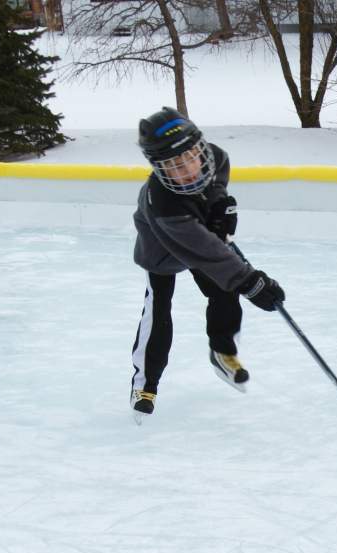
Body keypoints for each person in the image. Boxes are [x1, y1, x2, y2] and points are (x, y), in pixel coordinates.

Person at [130, 108, 285, 418]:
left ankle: (223, 351)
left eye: (191, 157)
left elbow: (216, 182)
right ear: (159, 168)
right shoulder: (163, 204)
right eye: (174, 165)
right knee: (158, 310)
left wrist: (218, 204)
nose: (188, 169)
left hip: (198, 233)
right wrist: (251, 283)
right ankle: (145, 384)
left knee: (224, 293)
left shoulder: (216, 157)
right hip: (162, 251)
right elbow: (208, 254)